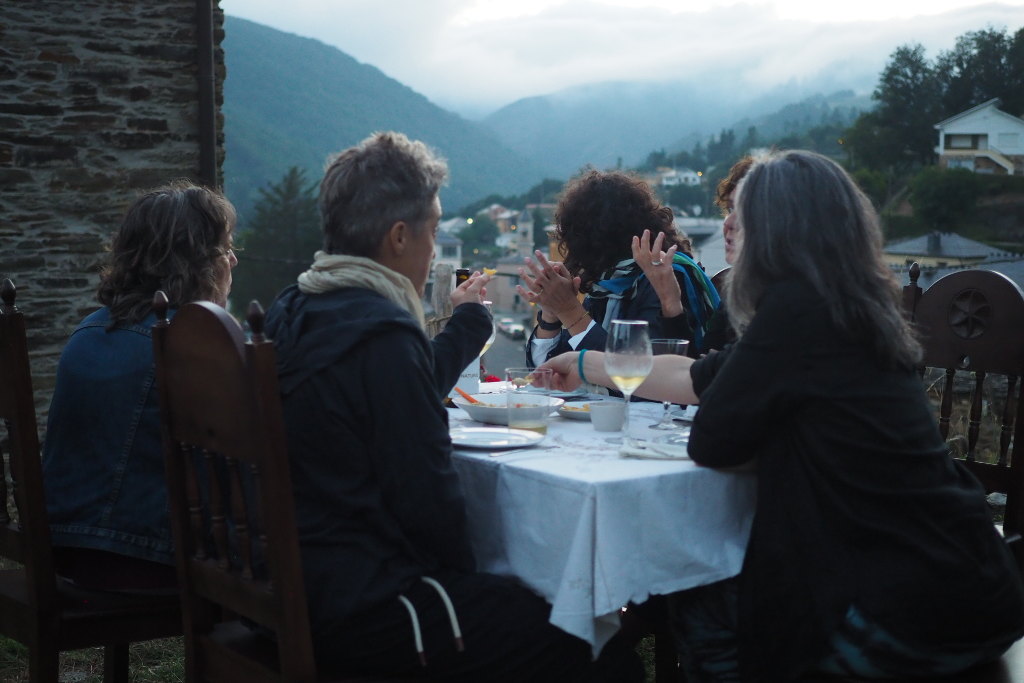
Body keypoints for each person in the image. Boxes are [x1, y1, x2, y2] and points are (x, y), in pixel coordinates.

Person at [539, 149, 1024, 681]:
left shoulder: (798, 313)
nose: (727, 226)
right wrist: (587, 362)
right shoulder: (846, 310)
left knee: (700, 588)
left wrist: (596, 362)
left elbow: (713, 440)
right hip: (965, 578)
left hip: (903, 612)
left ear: (777, 234)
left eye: (741, 217)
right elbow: (697, 376)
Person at [263, 132, 640, 682]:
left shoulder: (290, 308)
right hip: (370, 609)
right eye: (434, 231)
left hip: (288, 586)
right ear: (398, 237)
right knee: (598, 641)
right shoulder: (381, 334)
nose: (435, 249)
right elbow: (428, 503)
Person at [43, 182, 239, 591]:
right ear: (195, 262)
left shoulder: (90, 328)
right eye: (223, 249)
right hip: (137, 557)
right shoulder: (181, 348)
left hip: (61, 549)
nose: (233, 259)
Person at [518, 169, 719, 368]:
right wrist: (550, 315)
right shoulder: (607, 283)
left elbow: (639, 371)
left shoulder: (664, 277)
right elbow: (547, 371)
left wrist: (570, 311)